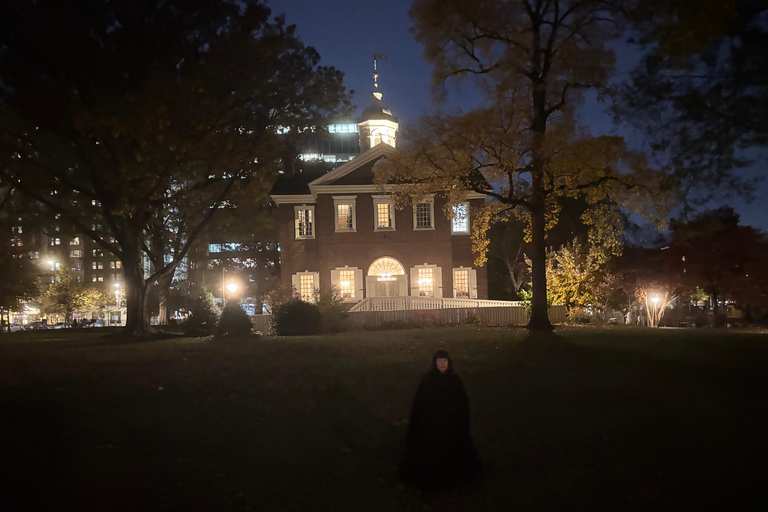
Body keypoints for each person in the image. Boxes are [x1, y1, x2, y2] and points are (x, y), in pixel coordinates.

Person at [398, 350, 482, 492]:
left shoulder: (455, 381)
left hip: (451, 425)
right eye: (439, 361)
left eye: (444, 361)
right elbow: (420, 404)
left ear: (449, 363)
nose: (442, 364)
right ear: (435, 363)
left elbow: (462, 404)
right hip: (432, 425)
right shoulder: (427, 381)